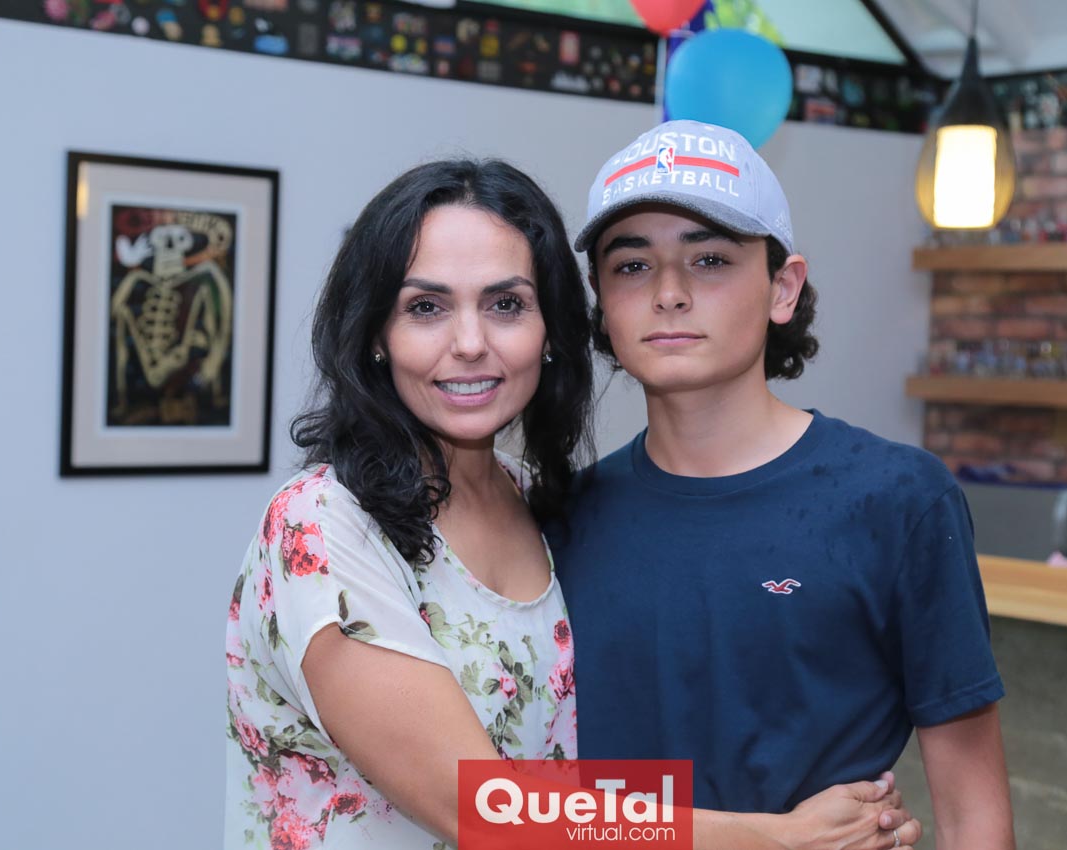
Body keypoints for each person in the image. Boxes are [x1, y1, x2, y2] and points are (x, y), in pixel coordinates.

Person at [224, 158, 922, 850]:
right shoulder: (322, 526)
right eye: (426, 307)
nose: (470, 344)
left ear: (551, 331)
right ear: (376, 333)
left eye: (505, 305)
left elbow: (598, 776)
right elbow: (479, 809)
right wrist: (776, 839)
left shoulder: (541, 502)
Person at [551, 119, 1016, 850]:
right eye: (632, 265)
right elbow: (524, 802)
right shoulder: (561, 517)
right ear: (601, 304)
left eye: (709, 259)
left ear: (782, 288)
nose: (668, 293)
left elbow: (972, 814)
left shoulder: (897, 500)